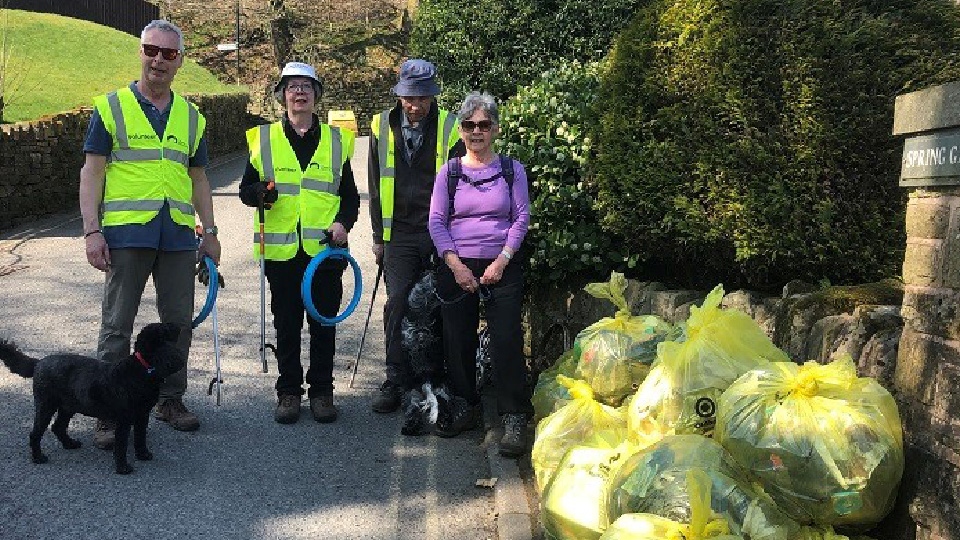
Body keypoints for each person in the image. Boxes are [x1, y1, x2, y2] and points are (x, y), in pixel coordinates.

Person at [79, 19, 220, 450]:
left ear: (180, 62)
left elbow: (198, 178)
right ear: (141, 52)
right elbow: (92, 172)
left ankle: (170, 399)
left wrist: (210, 231)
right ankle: (107, 410)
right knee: (117, 325)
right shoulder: (111, 108)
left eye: (169, 54)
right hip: (125, 234)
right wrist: (91, 231)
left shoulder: (191, 116)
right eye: (152, 50)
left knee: (178, 324)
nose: (159, 59)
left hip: (178, 235)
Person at [238, 62, 360, 424]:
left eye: (307, 86)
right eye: (292, 87)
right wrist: (259, 193)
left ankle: (322, 392)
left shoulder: (337, 141)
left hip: (325, 251)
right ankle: (289, 392)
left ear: (316, 95)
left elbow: (350, 197)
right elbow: (246, 190)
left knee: (324, 324)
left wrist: (343, 223)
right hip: (282, 252)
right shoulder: (263, 140)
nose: (299, 92)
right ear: (283, 95)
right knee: (287, 324)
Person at [427, 91, 532, 457]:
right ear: (460, 130)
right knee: (457, 341)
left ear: (495, 129)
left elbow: (521, 219)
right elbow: (437, 223)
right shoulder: (450, 172)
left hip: (501, 262)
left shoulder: (510, 170)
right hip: (457, 264)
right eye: (469, 125)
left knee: (506, 339)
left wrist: (502, 260)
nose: (476, 131)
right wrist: (455, 266)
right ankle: (465, 406)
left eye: (483, 125)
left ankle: (514, 417)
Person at [368, 59, 464, 413]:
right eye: (409, 97)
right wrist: (378, 236)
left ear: (432, 95)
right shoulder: (381, 125)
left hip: (440, 233)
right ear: (399, 95)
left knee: (439, 305)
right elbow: (375, 186)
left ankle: (437, 377)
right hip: (399, 235)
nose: (415, 105)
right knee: (398, 304)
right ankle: (396, 378)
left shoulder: (451, 127)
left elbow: (460, 185)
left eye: (423, 97)